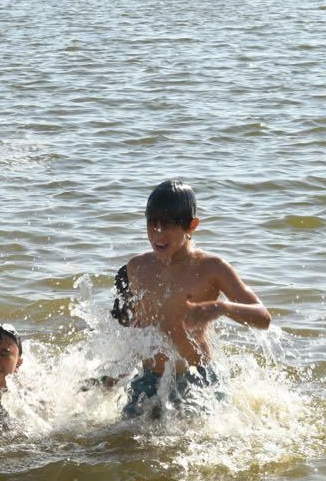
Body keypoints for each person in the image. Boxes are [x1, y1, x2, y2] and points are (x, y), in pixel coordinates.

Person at [111, 179, 271, 418]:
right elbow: (139, 333)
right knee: (122, 445)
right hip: (148, 381)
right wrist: (115, 376)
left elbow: (263, 317)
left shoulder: (211, 268)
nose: (158, 233)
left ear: (192, 225)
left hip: (195, 380)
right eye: (151, 224)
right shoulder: (137, 268)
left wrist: (222, 307)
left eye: (167, 225)